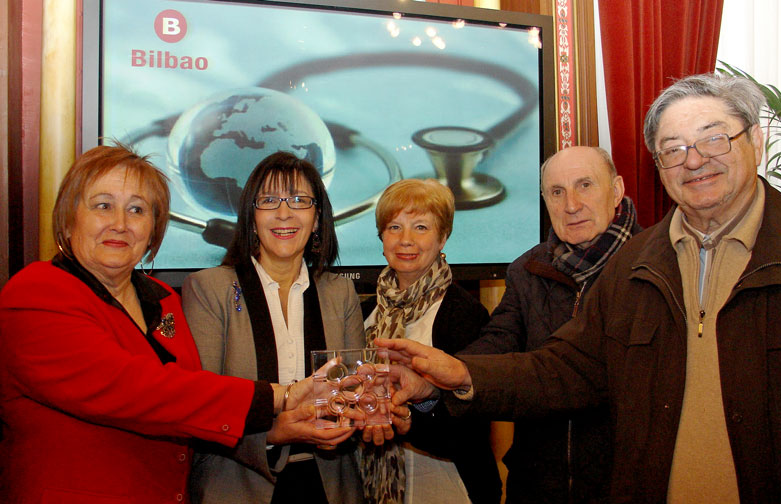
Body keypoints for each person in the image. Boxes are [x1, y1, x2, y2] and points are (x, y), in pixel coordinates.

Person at [379, 73, 781, 503]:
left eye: (713, 139)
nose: (693, 161)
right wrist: (456, 374)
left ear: (757, 142)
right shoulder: (629, 267)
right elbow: (562, 368)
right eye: (674, 149)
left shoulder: (636, 263)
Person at [0, 144, 322, 503]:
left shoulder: (163, 298)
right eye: (103, 205)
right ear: (69, 217)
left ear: (154, 227)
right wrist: (279, 396)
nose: (120, 224)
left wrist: (274, 431)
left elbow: (188, 406)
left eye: (137, 209)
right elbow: (136, 390)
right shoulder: (35, 293)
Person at [182, 151, 390, 503]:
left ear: (317, 218)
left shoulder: (340, 292)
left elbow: (353, 390)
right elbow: (201, 406)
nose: (284, 213)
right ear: (251, 218)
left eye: (299, 200)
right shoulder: (208, 289)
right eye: (268, 200)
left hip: (329, 484)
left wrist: (364, 413)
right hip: (238, 484)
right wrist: (271, 434)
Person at [461, 145, 641, 503]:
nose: (571, 205)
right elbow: (497, 344)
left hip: (624, 485)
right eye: (557, 192)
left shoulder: (650, 268)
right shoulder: (527, 270)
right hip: (536, 486)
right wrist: (437, 374)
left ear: (617, 190)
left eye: (585, 185)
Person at [360, 179, 501, 504]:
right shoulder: (365, 313)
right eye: (394, 227)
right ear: (382, 237)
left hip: (453, 487)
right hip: (373, 486)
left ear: (443, 237)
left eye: (421, 227)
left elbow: (474, 424)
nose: (406, 240)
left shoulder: (465, 313)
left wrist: (413, 416)